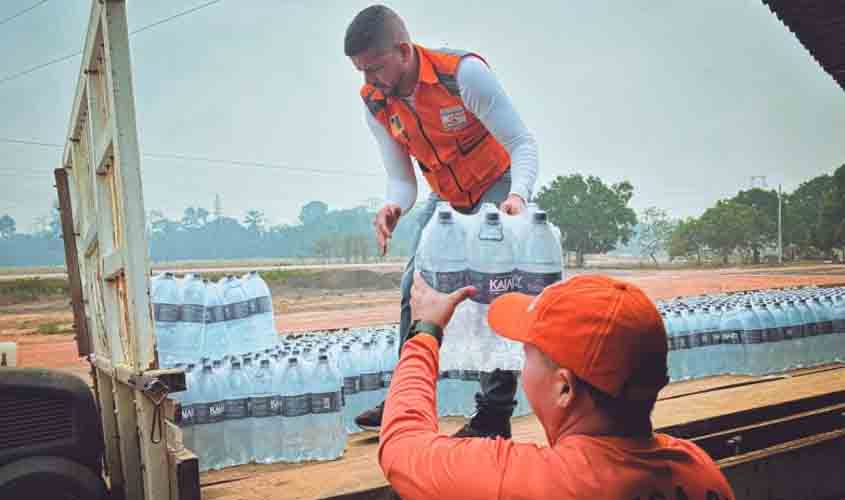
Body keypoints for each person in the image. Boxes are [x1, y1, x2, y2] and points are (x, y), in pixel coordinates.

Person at [345, 4, 539, 438]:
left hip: (498, 183)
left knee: (492, 289)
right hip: (448, 197)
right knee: (415, 284)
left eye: (374, 68)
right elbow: (401, 180)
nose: (369, 81)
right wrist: (393, 206)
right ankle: (406, 397)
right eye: (360, 72)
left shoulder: (463, 75)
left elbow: (522, 143)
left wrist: (517, 197)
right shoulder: (377, 102)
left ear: (403, 50)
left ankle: (494, 414)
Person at [377, 273, 736, 499]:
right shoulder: (700, 470)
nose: (520, 367)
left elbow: (402, 447)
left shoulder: (540, 482)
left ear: (564, 388)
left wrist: (425, 332)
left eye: (528, 354)